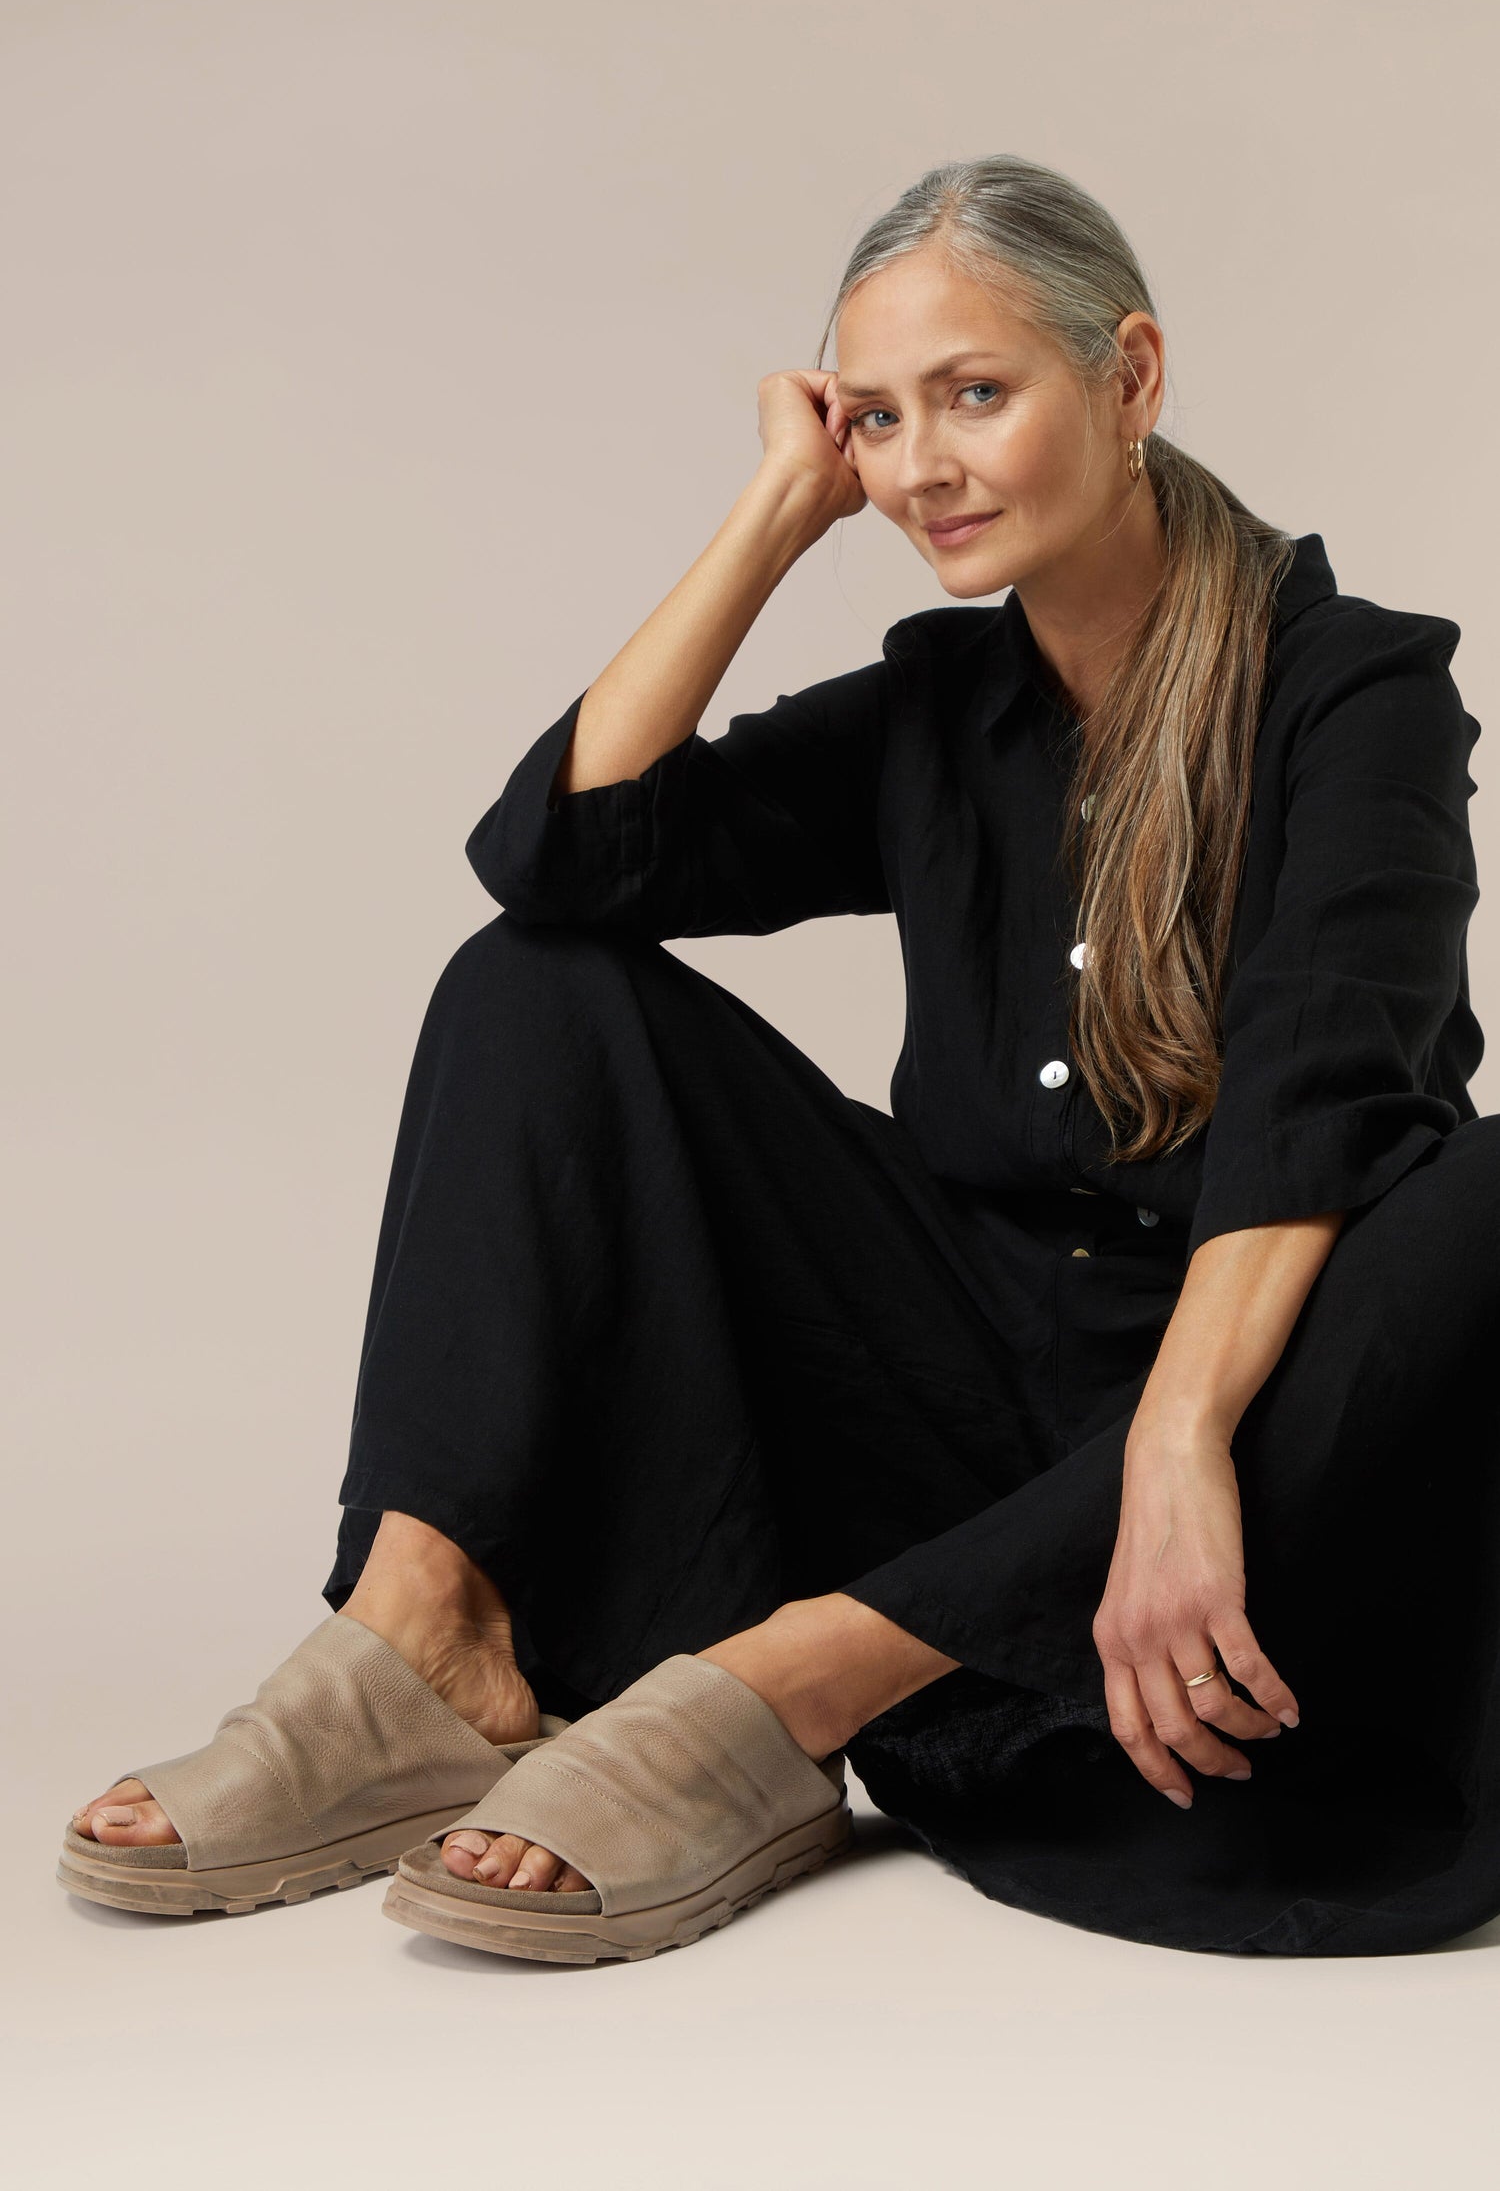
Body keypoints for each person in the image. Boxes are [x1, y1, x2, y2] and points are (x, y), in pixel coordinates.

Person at [62, 154, 1498, 1960]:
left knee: (1470, 1195)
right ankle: (430, 1636)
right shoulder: (933, 707)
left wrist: (1186, 1442)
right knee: (535, 984)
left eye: (977, 394)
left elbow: (1321, 1097)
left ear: (1130, 377)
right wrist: (773, 510)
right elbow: (565, 855)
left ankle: (803, 1677)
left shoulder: (1351, 686)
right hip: (960, 1398)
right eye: (877, 418)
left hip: (1271, 1415)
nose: (921, 467)